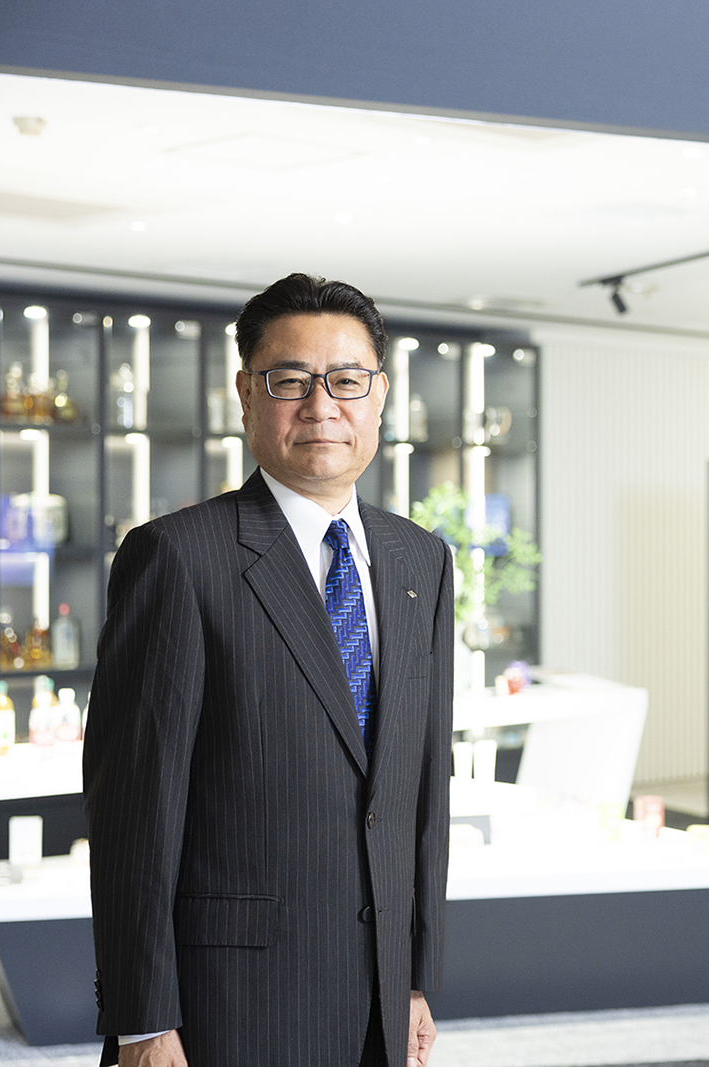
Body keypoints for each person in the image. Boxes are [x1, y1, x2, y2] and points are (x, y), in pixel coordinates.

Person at [84, 274, 453, 1067]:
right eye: (290, 380)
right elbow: (133, 816)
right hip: (231, 1005)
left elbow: (422, 791)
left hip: (379, 996)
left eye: (346, 379)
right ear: (246, 393)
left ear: (380, 395)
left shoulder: (421, 559)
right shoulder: (177, 558)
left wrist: (415, 975)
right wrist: (143, 1021)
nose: (322, 406)